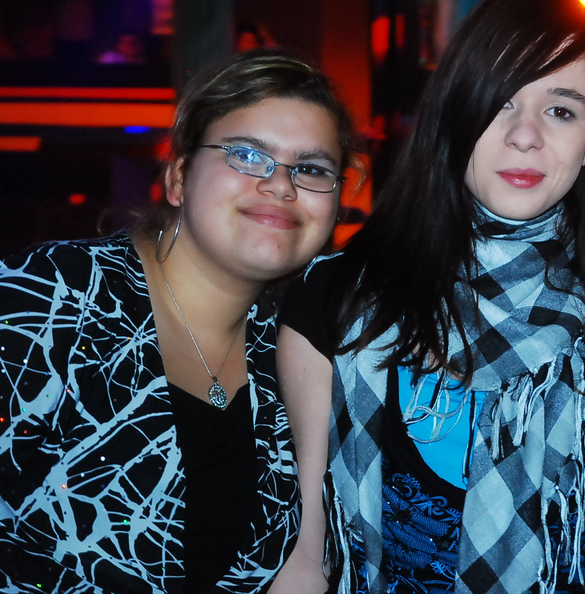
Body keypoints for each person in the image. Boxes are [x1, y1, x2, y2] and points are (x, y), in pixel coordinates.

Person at [270, 0, 585, 594]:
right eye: (501, 102)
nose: (525, 135)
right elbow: (305, 557)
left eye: (561, 111)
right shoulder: (335, 297)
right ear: (457, 111)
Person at [0, 50, 354, 593]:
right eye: (247, 155)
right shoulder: (55, 293)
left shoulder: (298, 349)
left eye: (311, 169)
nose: (281, 185)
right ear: (179, 177)